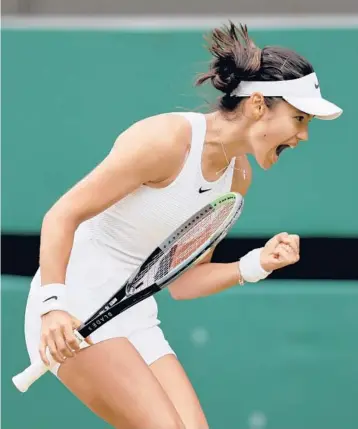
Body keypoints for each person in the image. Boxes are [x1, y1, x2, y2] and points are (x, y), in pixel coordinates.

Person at [24, 22, 342, 429]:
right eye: (299, 118)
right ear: (259, 104)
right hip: (73, 305)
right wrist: (53, 307)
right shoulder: (166, 140)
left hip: (135, 316)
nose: (303, 135)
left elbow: (184, 283)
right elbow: (62, 214)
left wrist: (257, 264)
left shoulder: (237, 178)